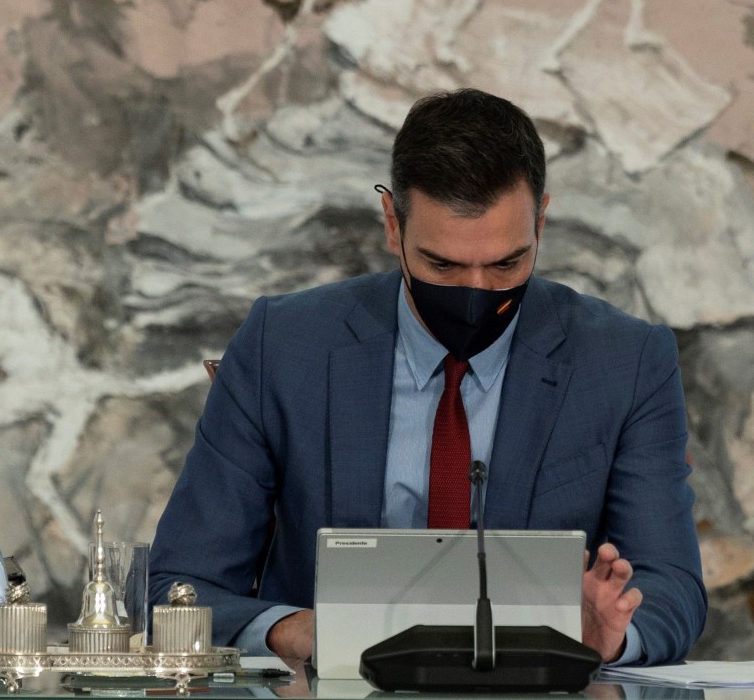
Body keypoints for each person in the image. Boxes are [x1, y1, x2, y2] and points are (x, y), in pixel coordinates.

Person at [149, 88, 706, 667]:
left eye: (507, 263)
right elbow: (179, 585)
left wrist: (612, 635)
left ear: (540, 222)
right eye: (442, 264)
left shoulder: (625, 362)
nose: (477, 291)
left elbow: (672, 586)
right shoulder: (284, 347)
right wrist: (294, 632)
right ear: (392, 224)